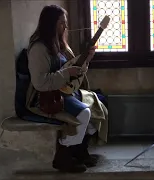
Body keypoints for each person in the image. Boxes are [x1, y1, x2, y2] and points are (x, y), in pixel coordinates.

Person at [27, 5, 101, 173]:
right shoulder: (39, 49)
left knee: (98, 104)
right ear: (50, 24)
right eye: (61, 23)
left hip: (65, 90)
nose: (65, 27)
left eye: (65, 23)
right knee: (85, 113)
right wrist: (67, 72)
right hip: (47, 96)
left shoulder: (60, 45)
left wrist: (87, 58)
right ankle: (64, 154)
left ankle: (80, 151)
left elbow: (75, 69)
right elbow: (40, 83)